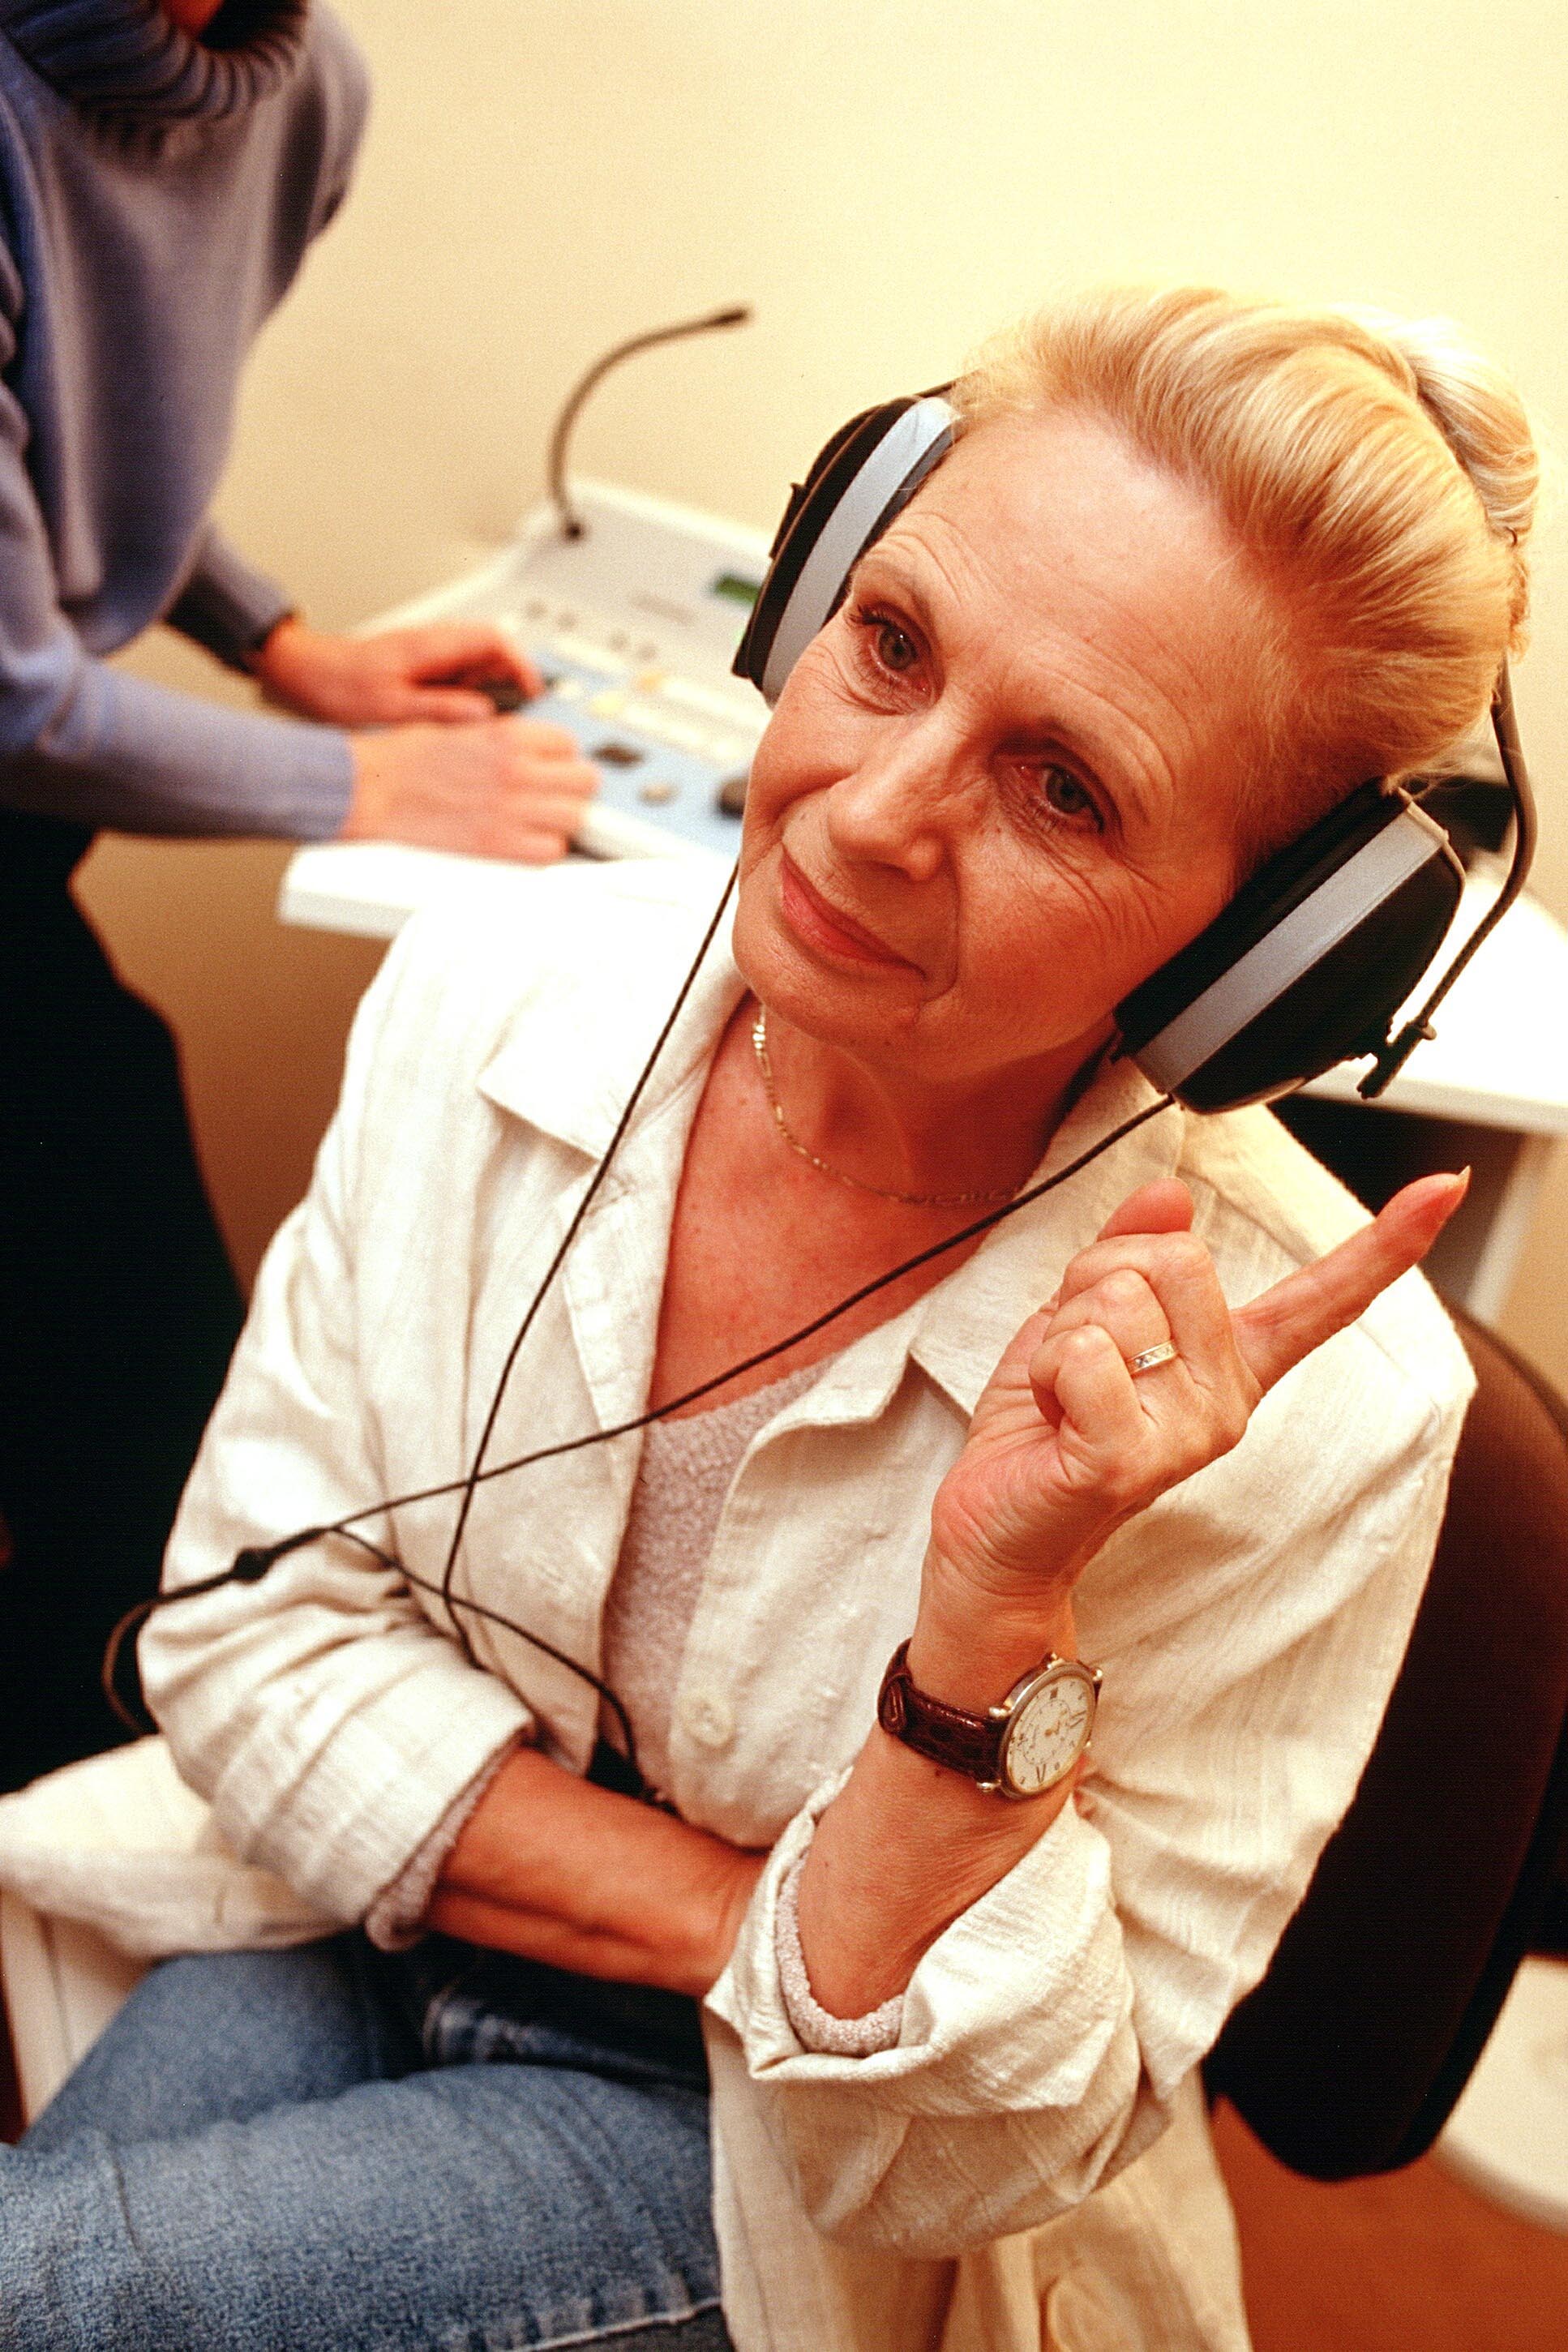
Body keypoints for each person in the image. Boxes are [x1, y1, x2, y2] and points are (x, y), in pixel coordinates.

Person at [0, 285, 1538, 2350]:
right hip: (352, 1909)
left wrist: (989, 1627)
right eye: (888, 642)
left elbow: (966, 2144)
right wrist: (772, 1922)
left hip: (781, 2149)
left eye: (1063, 789)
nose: (871, 809)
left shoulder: (1321, 1401)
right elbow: (239, 1636)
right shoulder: (485, 992)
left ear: (1254, 957)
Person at [0, 0, 598, 1788]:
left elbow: (87, 448)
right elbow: (14, 696)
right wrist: (366, 787)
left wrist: (279, 643)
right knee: (138, 1422)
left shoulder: (301, 92)